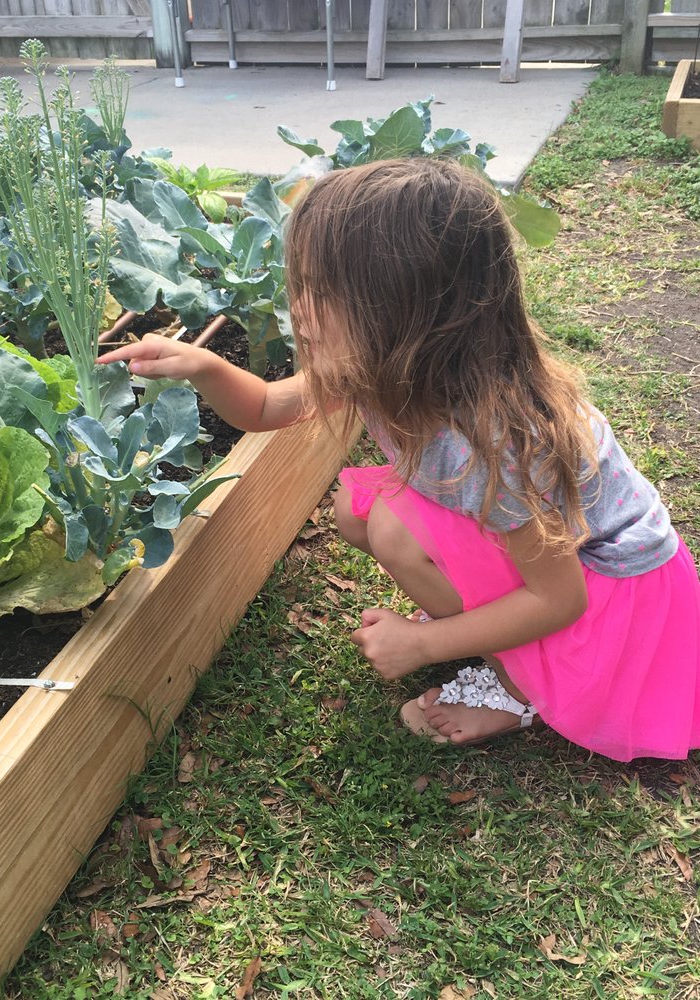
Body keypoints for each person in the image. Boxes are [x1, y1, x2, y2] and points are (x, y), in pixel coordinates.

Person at [98, 158, 700, 763]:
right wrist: (202, 366)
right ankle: (483, 629)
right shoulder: (385, 363)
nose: (300, 307)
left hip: (611, 599)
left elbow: (559, 600)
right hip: (551, 560)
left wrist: (423, 644)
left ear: (407, 313)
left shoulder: (489, 441)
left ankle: (516, 688)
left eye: (323, 292)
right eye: (302, 282)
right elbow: (265, 408)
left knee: (389, 526)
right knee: (359, 514)